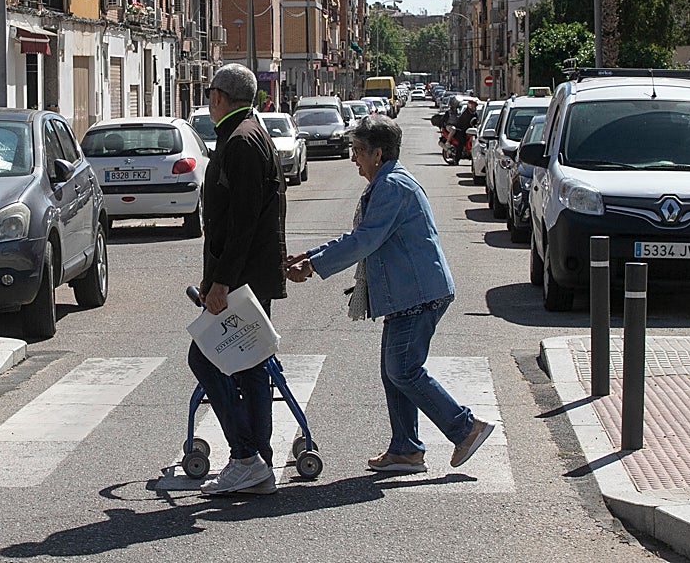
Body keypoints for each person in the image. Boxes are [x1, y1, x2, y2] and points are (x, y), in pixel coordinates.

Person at [286, 114, 494, 474]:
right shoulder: (387, 182)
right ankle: (406, 449)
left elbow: (365, 240)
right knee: (393, 371)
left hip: (418, 294)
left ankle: (465, 428)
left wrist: (315, 267)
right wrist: (311, 256)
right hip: (407, 294)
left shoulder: (393, 186)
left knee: (404, 370)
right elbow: (361, 236)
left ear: (377, 153)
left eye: (358, 151)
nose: (353, 158)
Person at [188, 62, 287, 496]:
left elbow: (243, 222)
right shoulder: (246, 132)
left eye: (210, 93)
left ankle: (247, 456)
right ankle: (256, 462)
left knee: (205, 359)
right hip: (247, 278)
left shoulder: (242, 141)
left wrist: (222, 283)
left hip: (242, 282)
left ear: (219, 97)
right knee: (249, 371)